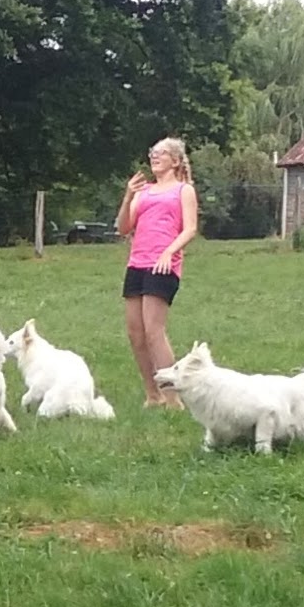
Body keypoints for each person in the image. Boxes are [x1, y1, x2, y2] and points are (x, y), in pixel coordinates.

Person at [116, 137, 199, 409]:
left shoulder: (183, 190)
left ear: (175, 160)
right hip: (136, 264)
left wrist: (168, 252)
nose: (154, 157)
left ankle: (174, 399)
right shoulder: (143, 192)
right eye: (152, 153)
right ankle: (153, 395)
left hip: (163, 266)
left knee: (154, 331)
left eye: (161, 153)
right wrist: (128, 195)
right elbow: (123, 228)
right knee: (135, 333)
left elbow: (190, 229)